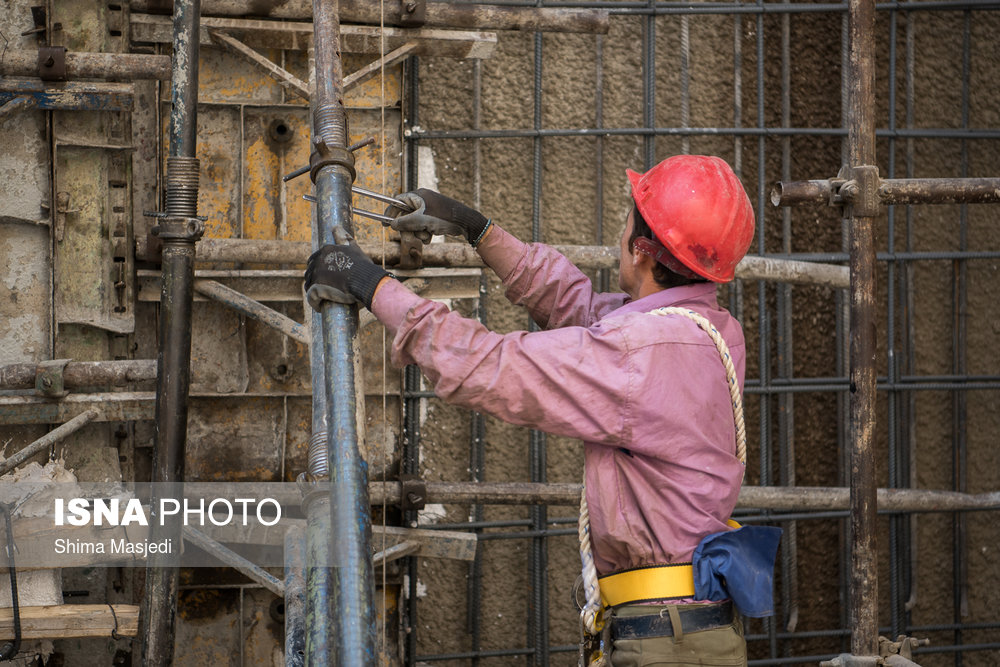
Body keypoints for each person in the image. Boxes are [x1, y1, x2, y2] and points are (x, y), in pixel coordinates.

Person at [305, 155, 774, 667]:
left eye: (627, 221)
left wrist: (374, 288)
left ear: (641, 250)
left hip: (668, 641)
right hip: (682, 629)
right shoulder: (707, 327)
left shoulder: (645, 351)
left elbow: (495, 367)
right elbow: (584, 311)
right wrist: (477, 229)